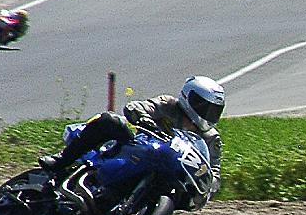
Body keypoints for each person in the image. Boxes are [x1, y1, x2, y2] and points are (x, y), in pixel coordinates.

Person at [39, 75, 225, 191]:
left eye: (214, 110)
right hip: (138, 148)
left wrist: (210, 182)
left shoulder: (211, 138)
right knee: (110, 121)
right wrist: (144, 119)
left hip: (167, 170)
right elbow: (136, 107)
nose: (208, 113)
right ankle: (62, 159)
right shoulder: (169, 105)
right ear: (189, 97)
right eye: (204, 106)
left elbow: (213, 171)